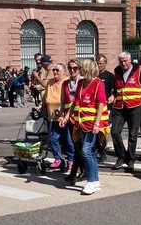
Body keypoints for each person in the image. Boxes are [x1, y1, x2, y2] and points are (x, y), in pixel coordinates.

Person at [60, 58, 108, 195]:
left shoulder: (98, 83)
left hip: (93, 123)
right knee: (90, 152)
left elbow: (101, 103)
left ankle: (91, 181)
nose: (79, 70)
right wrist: (66, 117)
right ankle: (95, 181)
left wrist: (97, 123)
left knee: (86, 151)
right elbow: (75, 102)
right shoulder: (81, 83)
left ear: (87, 69)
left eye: (81, 68)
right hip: (81, 122)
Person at [110, 52, 141, 173]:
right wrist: (113, 95)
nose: (123, 63)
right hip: (119, 106)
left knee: (132, 135)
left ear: (130, 60)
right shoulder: (117, 71)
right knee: (114, 132)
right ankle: (121, 156)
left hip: (135, 107)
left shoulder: (139, 70)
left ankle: (130, 160)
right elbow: (116, 88)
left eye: (125, 61)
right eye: (121, 61)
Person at [37, 63, 74, 171]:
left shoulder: (67, 82)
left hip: (64, 116)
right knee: (53, 139)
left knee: (68, 140)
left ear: (64, 71)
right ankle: (58, 158)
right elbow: (45, 96)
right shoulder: (50, 82)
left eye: (57, 70)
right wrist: (41, 105)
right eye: (54, 70)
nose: (55, 72)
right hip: (52, 116)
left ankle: (71, 159)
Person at [96, 54, 116, 160]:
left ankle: (103, 149)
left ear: (105, 64)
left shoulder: (110, 76)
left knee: (105, 129)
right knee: (96, 128)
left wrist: (112, 96)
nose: (99, 65)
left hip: (106, 106)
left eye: (101, 63)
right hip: (95, 106)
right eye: (98, 63)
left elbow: (114, 90)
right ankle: (97, 148)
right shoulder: (94, 75)